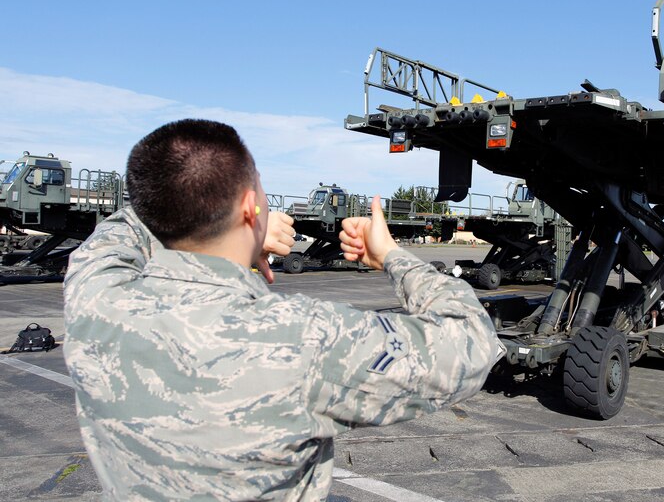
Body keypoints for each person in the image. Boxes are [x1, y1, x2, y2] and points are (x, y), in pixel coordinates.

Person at [63, 119, 500, 501]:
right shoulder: (304, 338)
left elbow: (121, 232)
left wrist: (236, 234)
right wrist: (391, 255)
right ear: (252, 208)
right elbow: (471, 342)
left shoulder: (97, 303)